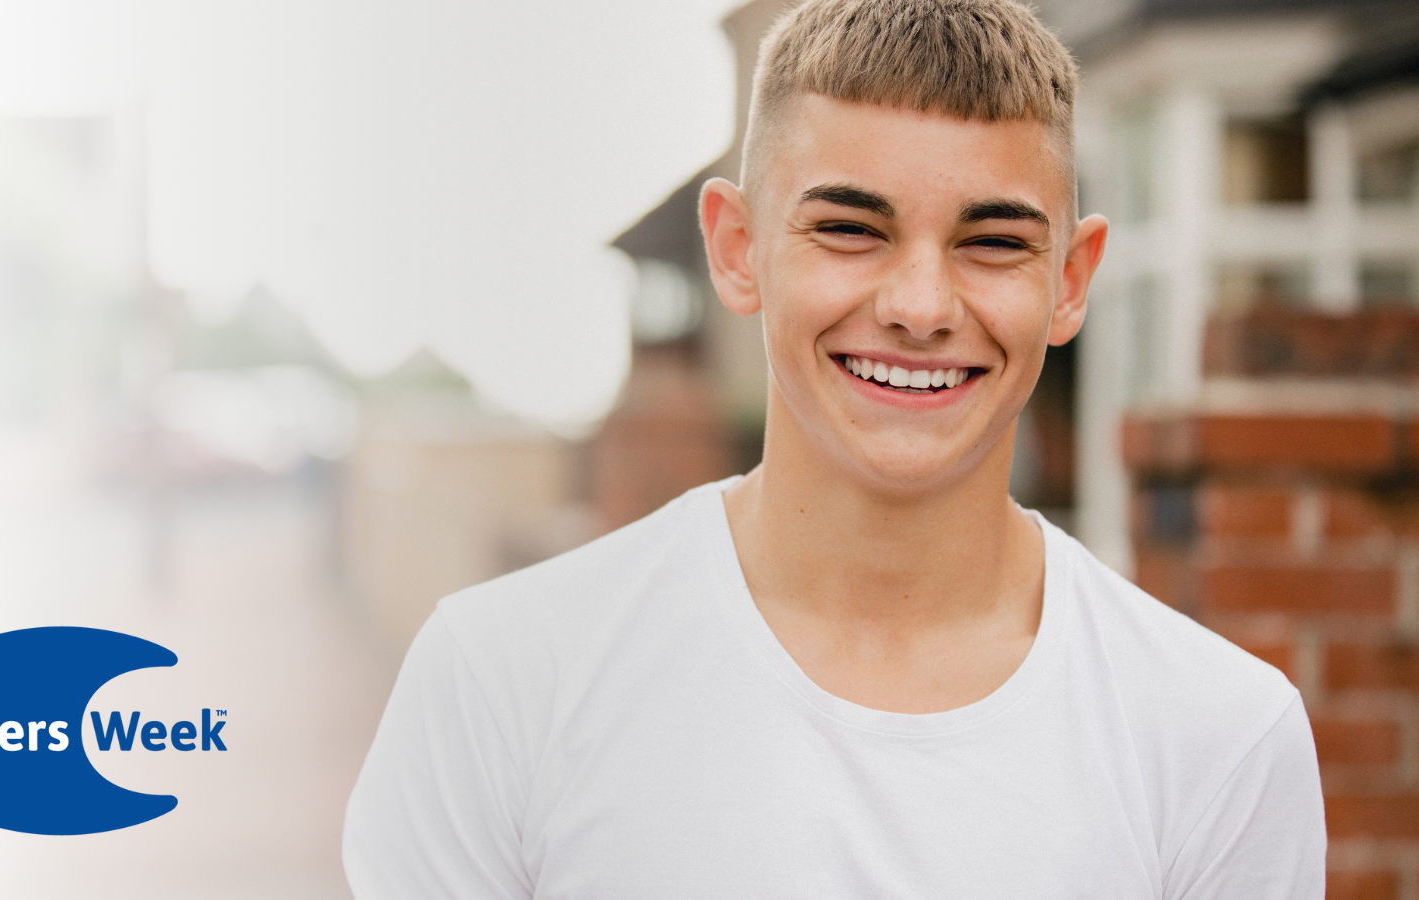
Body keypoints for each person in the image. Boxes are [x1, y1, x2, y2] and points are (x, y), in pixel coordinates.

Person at [342, 0, 1327, 895]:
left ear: (1070, 281)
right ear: (738, 248)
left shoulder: (1219, 737)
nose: (919, 307)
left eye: (991, 243)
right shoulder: (503, 678)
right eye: (851, 229)